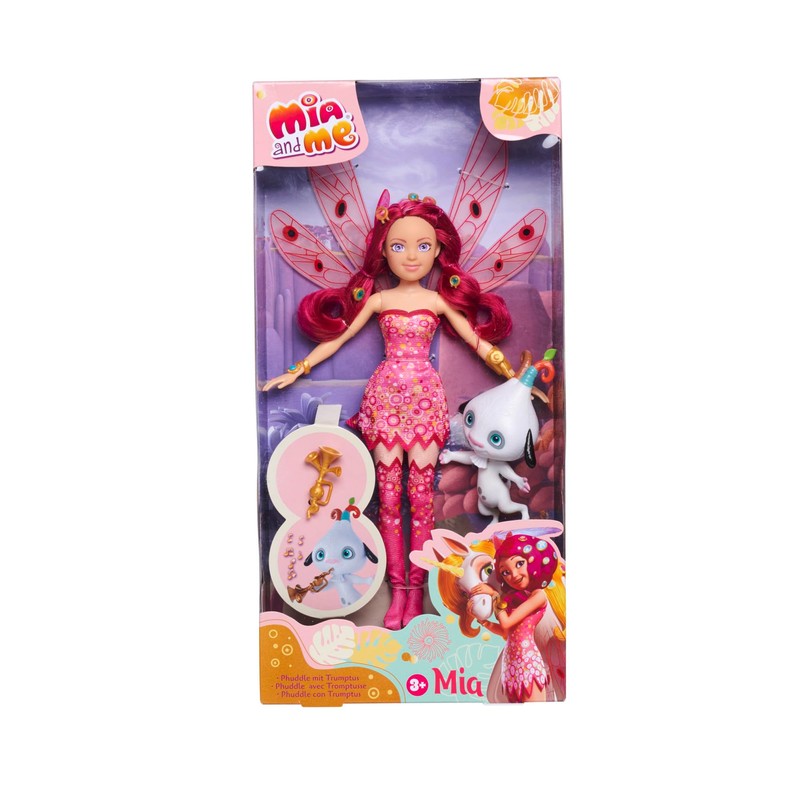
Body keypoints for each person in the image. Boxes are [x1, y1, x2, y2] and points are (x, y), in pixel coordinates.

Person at [264, 194, 514, 628]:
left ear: (437, 250)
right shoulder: (378, 300)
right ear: (383, 250)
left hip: (424, 402)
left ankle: (418, 592)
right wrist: (298, 369)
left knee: (421, 500)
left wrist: (516, 378)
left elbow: (478, 343)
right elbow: (339, 338)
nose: (411, 256)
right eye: (399, 246)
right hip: (384, 403)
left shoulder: (437, 302)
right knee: (389, 500)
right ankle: (396, 591)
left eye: (422, 246)